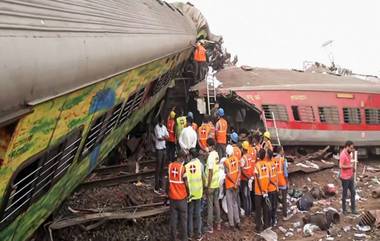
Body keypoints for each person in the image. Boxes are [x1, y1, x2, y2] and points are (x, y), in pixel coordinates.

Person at [167, 150, 189, 241]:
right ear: (181, 158)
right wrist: (188, 193)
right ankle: (184, 238)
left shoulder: (170, 166)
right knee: (183, 220)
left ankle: (173, 238)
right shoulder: (183, 168)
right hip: (182, 198)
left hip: (172, 198)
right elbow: (186, 183)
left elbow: (168, 181)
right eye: (184, 158)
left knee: (173, 219)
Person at [185, 148, 204, 241]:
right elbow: (203, 177)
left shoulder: (187, 166)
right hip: (199, 192)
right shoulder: (200, 164)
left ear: (190, 155)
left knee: (190, 214)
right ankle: (199, 235)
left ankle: (190, 234)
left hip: (190, 194)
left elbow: (185, 182)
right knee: (198, 214)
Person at [205, 138, 221, 233]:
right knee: (217, 204)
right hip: (217, 184)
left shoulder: (211, 156)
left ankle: (210, 227)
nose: (207, 147)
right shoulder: (216, 154)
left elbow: (210, 172)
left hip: (211, 184)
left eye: (207, 145)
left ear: (210, 146)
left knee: (210, 206)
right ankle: (218, 223)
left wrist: (209, 185)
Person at [224, 144, 241, 230]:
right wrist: (236, 182)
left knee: (229, 205)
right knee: (235, 203)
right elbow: (239, 172)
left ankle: (231, 224)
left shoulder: (226, 162)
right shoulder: (236, 159)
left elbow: (227, 173)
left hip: (229, 185)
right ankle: (238, 221)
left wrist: (233, 182)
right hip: (236, 185)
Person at [254, 148, 270, 232]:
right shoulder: (267, 165)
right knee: (265, 209)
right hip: (266, 191)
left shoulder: (256, 165)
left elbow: (258, 179)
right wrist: (265, 190)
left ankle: (258, 227)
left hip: (258, 192)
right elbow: (269, 177)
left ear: (259, 155)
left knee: (258, 210)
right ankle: (266, 225)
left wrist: (262, 190)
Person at [339, 140, 358, 215]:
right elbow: (340, 166)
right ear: (347, 147)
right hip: (345, 178)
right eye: (350, 148)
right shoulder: (343, 154)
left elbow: (349, 163)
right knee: (345, 194)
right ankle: (344, 210)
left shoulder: (349, 153)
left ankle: (353, 209)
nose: (352, 150)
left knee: (353, 192)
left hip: (350, 176)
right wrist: (349, 166)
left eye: (352, 148)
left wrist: (352, 168)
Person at [154, 116, 168, 194]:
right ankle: (156, 187)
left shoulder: (164, 127)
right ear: (159, 121)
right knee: (158, 168)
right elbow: (159, 138)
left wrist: (164, 137)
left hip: (163, 148)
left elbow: (167, 136)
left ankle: (161, 186)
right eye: (162, 121)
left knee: (162, 168)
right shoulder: (156, 128)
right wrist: (164, 137)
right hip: (159, 149)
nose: (163, 123)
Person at [240, 141, 254, 216]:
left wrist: (246, 176)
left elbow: (242, 170)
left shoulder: (243, 158)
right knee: (248, 195)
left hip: (245, 179)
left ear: (243, 149)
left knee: (245, 196)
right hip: (249, 178)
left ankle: (247, 212)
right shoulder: (250, 156)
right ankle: (250, 210)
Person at [276, 147, 289, 219]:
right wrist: (287, 182)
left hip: (275, 182)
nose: (283, 151)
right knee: (284, 199)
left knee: (276, 197)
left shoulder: (273, 159)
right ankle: (285, 215)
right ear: (280, 151)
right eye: (283, 150)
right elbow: (285, 173)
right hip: (283, 182)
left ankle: (276, 211)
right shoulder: (283, 160)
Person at [267, 149, 278, 226]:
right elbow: (276, 175)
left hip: (270, 188)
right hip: (275, 188)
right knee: (274, 205)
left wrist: (274, 184)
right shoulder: (273, 163)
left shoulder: (267, 165)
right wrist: (276, 185)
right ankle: (274, 220)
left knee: (270, 206)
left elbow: (269, 178)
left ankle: (270, 220)